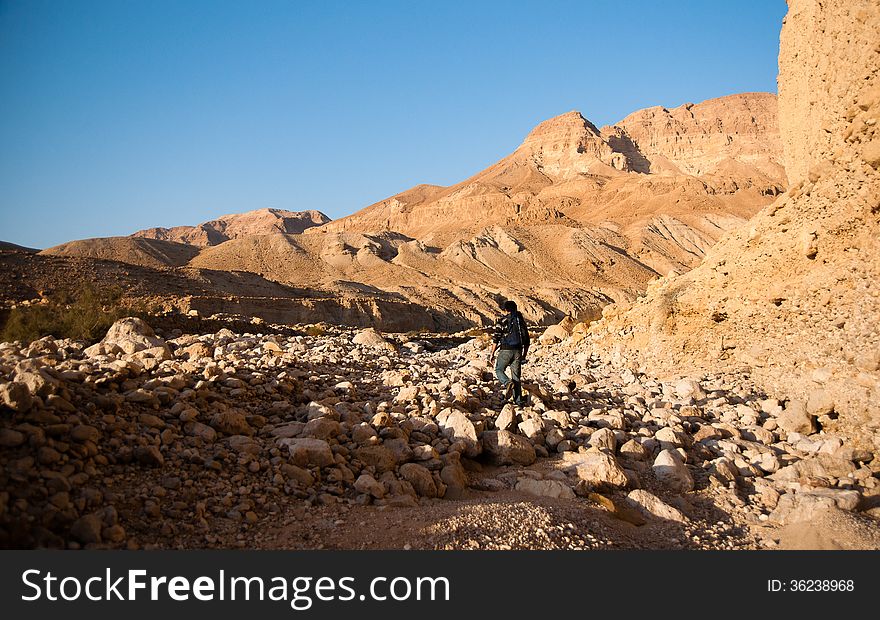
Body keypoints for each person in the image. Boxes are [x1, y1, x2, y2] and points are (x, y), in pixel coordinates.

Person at [490, 300, 530, 406]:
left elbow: (496, 338)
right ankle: (518, 401)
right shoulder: (520, 321)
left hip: (505, 350)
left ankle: (507, 383)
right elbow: (527, 340)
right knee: (516, 377)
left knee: (499, 369)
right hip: (518, 351)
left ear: (505, 310)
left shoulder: (502, 321)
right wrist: (524, 355)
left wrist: (492, 353)